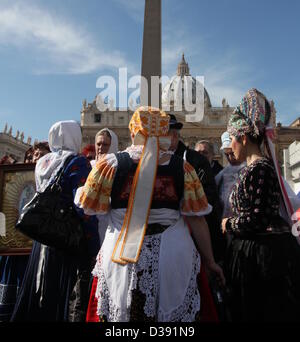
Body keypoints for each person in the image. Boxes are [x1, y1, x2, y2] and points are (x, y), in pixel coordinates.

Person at [75, 106, 224, 322]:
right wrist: (210, 261)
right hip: (173, 258)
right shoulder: (183, 168)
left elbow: (90, 206)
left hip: (120, 258)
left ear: (133, 130)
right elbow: (197, 218)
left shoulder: (109, 165)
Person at [221, 88, 300, 322]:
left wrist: (228, 223)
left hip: (263, 259)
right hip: (255, 253)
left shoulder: (260, 168)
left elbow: (258, 218)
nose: (230, 147)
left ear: (243, 138)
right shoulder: (255, 168)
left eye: (232, 139)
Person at [11, 120, 100, 322]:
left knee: (38, 289)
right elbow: (82, 206)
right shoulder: (77, 162)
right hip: (63, 237)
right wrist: (93, 242)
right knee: (60, 293)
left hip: (41, 237)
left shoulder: (44, 162)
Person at [0, 142, 50, 322]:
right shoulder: (15, 178)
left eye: (42, 154)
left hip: (34, 249)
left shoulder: (49, 183)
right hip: (12, 246)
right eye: (34, 155)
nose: (37, 158)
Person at [167, 115, 224, 263]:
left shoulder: (196, 160)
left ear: (174, 135)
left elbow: (209, 197)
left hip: (192, 234)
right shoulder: (154, 158)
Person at [215, 132, 246, 220]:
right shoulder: (222, 174)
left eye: (232, 153)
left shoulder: (252, 169)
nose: (230, 158)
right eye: (226, 154)